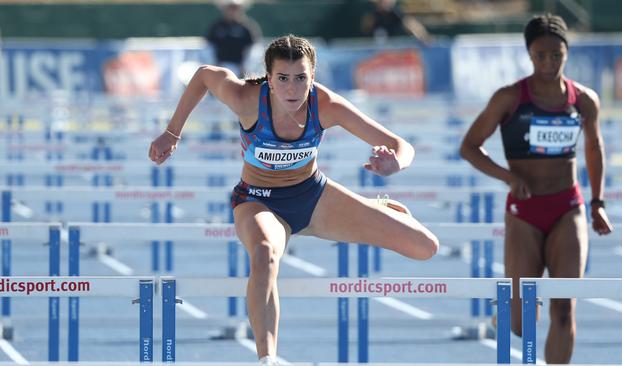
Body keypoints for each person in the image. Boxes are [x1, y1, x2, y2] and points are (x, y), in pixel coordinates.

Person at [149, 34, 439, 366]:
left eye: (301, 78)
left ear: (312, 78)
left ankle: (381, 207)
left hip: (314, 198)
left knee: (425, 247)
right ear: (269, 80)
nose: (292, 89)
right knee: (264, 254)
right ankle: (267, 357)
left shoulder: (326, 105)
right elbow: (203, 75)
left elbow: (401, 145)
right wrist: (172, 132)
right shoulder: (245, 98)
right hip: (259, 202)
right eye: (283, 79)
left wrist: (395, 164)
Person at [459, 14, 613, 364]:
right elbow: (469, 147)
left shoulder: (584, 101)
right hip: (524, 213)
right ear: (529, 55)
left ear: (566, 54)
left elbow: (594, 148)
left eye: (556, 55)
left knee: (563, 311)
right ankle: (506, 314)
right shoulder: (510, 98)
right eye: (540, 55)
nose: (548, 63)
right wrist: (508, 177)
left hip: (567, 208)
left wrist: (597, 202)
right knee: (522, 324)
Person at [205, 0, 261, 77]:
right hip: (220, 67)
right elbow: (209, 47)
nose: (232, 11)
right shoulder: (216, 26)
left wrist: (245, 67)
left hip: (240, 68)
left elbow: (253, 49)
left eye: (235, 8)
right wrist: (214, 65)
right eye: (229, 8)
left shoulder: (248, 27)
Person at [361, 0, 433, 45]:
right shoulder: (373, 16)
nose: (386, 2)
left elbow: (411, 24)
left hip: (393, 52)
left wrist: (423, 36)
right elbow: (366, 31)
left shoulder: (396, 13)